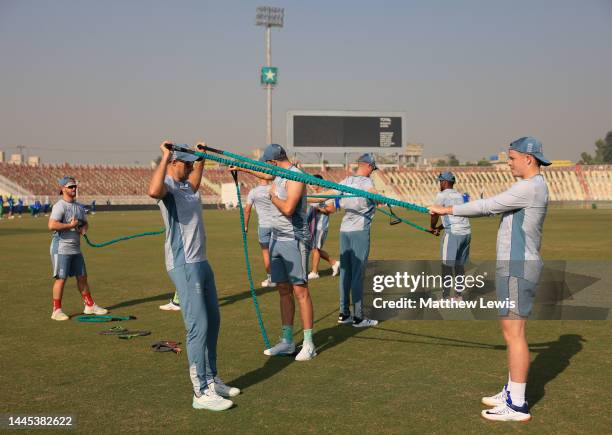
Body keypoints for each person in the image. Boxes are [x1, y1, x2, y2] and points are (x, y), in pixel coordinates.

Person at [429, 137, 550, 422]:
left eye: (511, 158)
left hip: (517, 267)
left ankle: (517, 404)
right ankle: (511, 390)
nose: (508, 163)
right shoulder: (535, 185)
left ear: (528, 159)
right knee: (511, 333)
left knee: (514, 334)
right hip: (515, 266)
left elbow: (488, 206)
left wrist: (445, 210)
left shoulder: (528, 187)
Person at [148, 141, 238, 411]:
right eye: (186, 163)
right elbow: (153, 191)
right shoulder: (169, 187)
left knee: (213, 321)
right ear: (175, 163)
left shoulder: (188, 185)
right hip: (184, 264)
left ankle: (211, 380)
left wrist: (202, 155)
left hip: (202, 262)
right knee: (198, 326)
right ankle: (200, 393)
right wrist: (165, 156)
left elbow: (196, 178)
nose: (190, 166)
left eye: (191, 163)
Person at [232, 143, 316, 361]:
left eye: (267, 166)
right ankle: (288, 341)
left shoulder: (296, 176)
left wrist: (272, 197)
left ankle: (308, 344)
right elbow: (263, 174)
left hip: (295, 238)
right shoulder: (277, 174)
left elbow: (288, 208)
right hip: (277, 239)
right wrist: (241, 167)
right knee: (283, 290)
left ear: (273, 162)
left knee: (300, 292)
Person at [48, 176, 108, 321]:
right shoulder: (59, 206)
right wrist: (70, 226)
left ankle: (89, 305)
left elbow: (84, 223)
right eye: (70, 187)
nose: (74, 189)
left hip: (75, 249)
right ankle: (56, 310)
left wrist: (83, 229)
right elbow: (52, 225)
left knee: (82, 277)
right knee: (60, 279)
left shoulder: (79, 207)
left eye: (74, 186)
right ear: (63, 189)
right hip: (61, 249)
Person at [429, 172, 471, 299]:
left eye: (440, 181)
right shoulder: (459, 196)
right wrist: (439, 228)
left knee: (447, 265)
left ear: (444, 182)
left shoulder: (441, 195)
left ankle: (446, 297)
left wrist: (432, 227)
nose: (439, 184)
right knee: (459, 265)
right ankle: (458, 296)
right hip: (466, 233)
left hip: (453, 234)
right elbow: (455, 216)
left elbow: (434, 213)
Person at [244, 177, 275, 287]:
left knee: (266, 253)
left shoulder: (253, 192)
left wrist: (245, 226)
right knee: (278, 252)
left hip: (264, 226)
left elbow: (247, 210)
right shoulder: (274, 188)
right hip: (277, 225)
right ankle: (283, 277)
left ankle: (271, 279)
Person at [307, 175, 340, 280]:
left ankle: (314, 272)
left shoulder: (326, 195)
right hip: (312, 225)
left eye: (312, 183)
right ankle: (334, 263)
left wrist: (319, 208)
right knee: (313, 248)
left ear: (319, 183)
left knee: (315, 248)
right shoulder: (314, 195)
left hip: (321, 226)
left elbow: (332, 209)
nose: (310, 185)